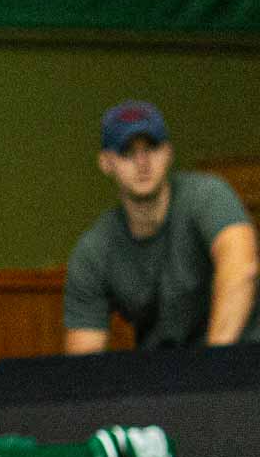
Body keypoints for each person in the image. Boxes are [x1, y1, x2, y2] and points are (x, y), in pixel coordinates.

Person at [64, 100, 259, 353]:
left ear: (168, 152)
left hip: (245, 359)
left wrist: (212, 366)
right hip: (166, 375)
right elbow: (83, 361)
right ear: (106, 162)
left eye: (152, 147)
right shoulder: (94, 251)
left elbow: (241, 267)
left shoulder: (208, 195)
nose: (142, 162)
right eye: (127, 152)